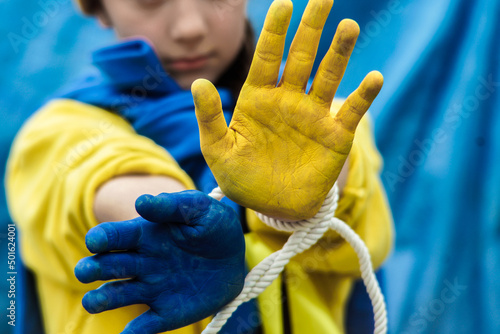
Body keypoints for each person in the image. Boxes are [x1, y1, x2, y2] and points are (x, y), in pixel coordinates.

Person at [5, 0, 393, 333]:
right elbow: (107, 175)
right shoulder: (55, 134)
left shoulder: (330, 125)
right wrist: (182, 229)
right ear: (99, 7)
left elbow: (351, 198)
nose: (190, 27)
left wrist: (306, 186)